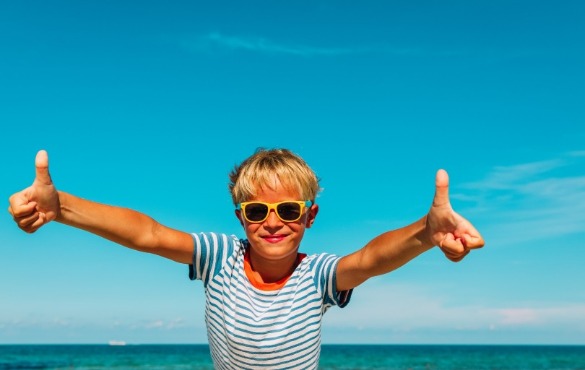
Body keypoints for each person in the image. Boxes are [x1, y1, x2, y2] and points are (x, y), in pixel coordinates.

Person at [8, 148, 484, 369]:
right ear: (240, 216)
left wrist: (426, 232)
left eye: (289, 210)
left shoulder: (318, 276)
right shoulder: (219, 257)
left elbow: (371, 258)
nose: (272, 222)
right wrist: (62, 208)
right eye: (256, 210)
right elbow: (148, 234)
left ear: (310, 216)